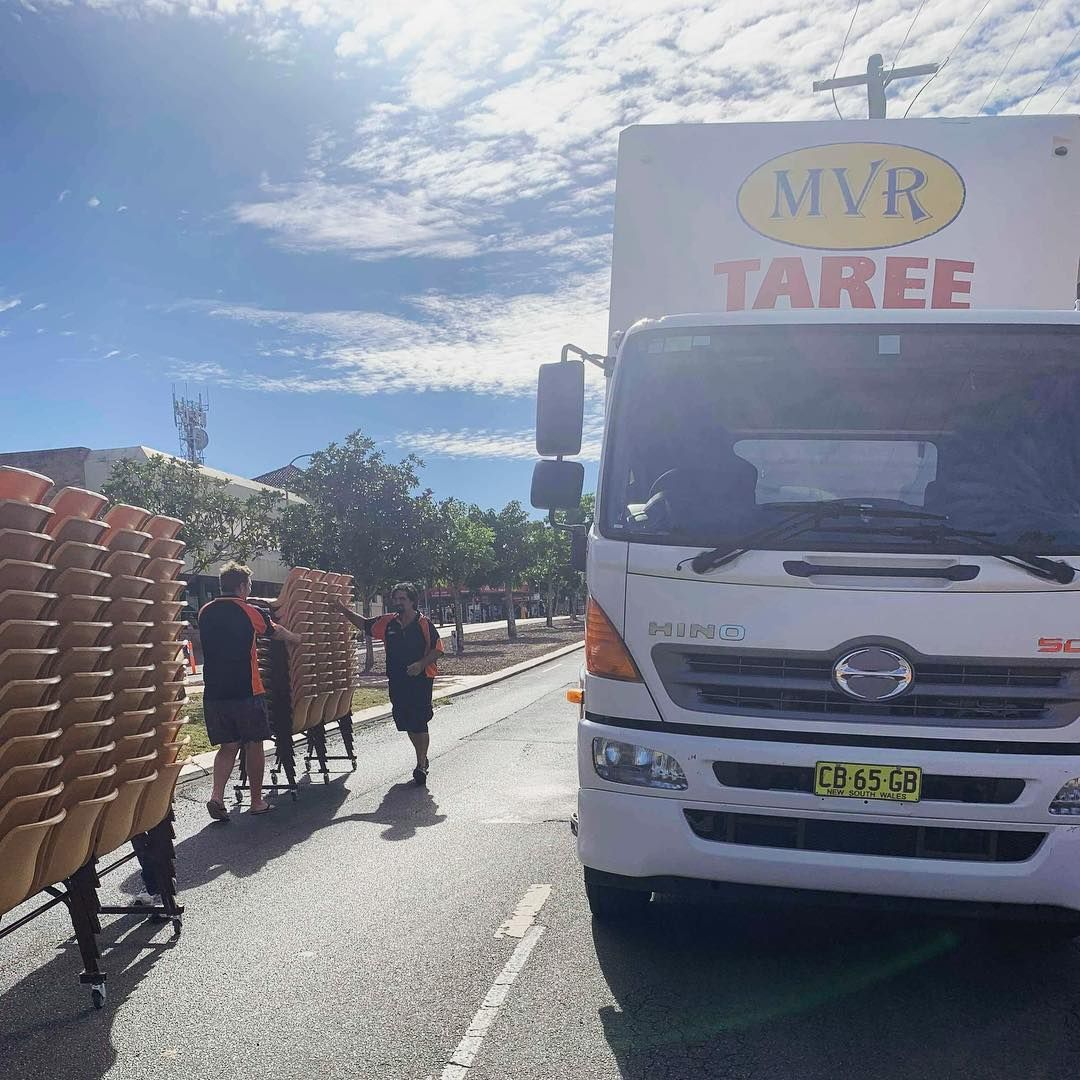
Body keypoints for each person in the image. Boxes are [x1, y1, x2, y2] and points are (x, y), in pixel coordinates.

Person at [198, 562, 301, 820]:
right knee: (254, 743)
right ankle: (257, 801)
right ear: (242, 586)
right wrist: (295, 638)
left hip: (214, 692)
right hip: (246, 689)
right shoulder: (248, 611)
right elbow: (273, 631)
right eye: (249, 586)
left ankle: (216, 797)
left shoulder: (204, 611)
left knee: (228, 745)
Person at [335, 582, 443, 785]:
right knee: (406, 721)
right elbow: (365, 624)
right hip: (397, 680)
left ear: (412, 601)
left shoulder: (424, 624)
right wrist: (343, 610)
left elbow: (437, 649)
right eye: (396, 599)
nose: (399, 602)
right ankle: (421, 755)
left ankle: (420, 764)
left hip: (420, 680)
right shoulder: (388, 623)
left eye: (403, 599)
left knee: (420, 721)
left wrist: (421, 664)